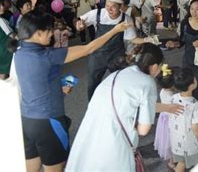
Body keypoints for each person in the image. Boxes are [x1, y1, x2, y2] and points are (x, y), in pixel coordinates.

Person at [12, 10, 128, 172]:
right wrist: (115, 30)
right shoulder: (48, 56)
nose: (52, 33)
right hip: (49, 122)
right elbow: (89, 48)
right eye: (49, 30)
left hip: (26, 120)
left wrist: (58, 89)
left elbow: (35, 80)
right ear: (38, 33)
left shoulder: (18, 52)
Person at [65, 43, 162, 171]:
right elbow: (143, 130)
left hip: (89, 134)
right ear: (154, 66)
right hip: (114, 142)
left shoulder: (117, 74)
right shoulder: (147, 82)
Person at [76, 0, 149, 100]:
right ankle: (92, 105)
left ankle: (120, 104)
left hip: (116, 56)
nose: (109, 9)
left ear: (121, 6)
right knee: (92, 83)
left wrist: (148, 39)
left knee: (120, 81)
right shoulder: (98, 13)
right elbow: (80, 22)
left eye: (113, 6)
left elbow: (133, 39)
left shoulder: (126, 19)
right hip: (97, 55)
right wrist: (79, 27)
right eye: (107, 5)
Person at [165, 0, 198, 121]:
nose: (194, 11)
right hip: (187, 61)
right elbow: (181, 41)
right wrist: (173, 44)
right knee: (187, 89)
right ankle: (193, 114)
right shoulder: (185, 23)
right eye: (192, 9)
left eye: (197, 9)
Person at [168, 68, 198, 172]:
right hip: (188, 141)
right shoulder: (195, 104)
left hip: (175, 137)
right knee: (183, 162)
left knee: (181, 160)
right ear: (192, 86)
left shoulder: (173, 98)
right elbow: (195, 126)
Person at [154, 65, 179, 170]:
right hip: (171, 122)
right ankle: (172, 163)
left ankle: (172, 161)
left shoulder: (163, 91)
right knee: (173, 144)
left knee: (170, 144)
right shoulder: (172, 98)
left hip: (164, 120)